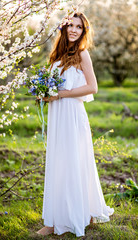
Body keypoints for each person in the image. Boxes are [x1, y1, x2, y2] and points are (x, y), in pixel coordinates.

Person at [36, 12, 114, 237]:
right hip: (57, 115)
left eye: (79, 27)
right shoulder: (57, 56)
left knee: (73, 163)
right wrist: (45, 94)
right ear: (63, 28)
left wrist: (62, 94)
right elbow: (53, 89)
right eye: (70, 25)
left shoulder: (82, 54)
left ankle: (80, 215)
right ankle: (53, 219)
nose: (73, 30)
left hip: (72, 115)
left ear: (83, 32)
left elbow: (92, 87)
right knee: (58, 163)